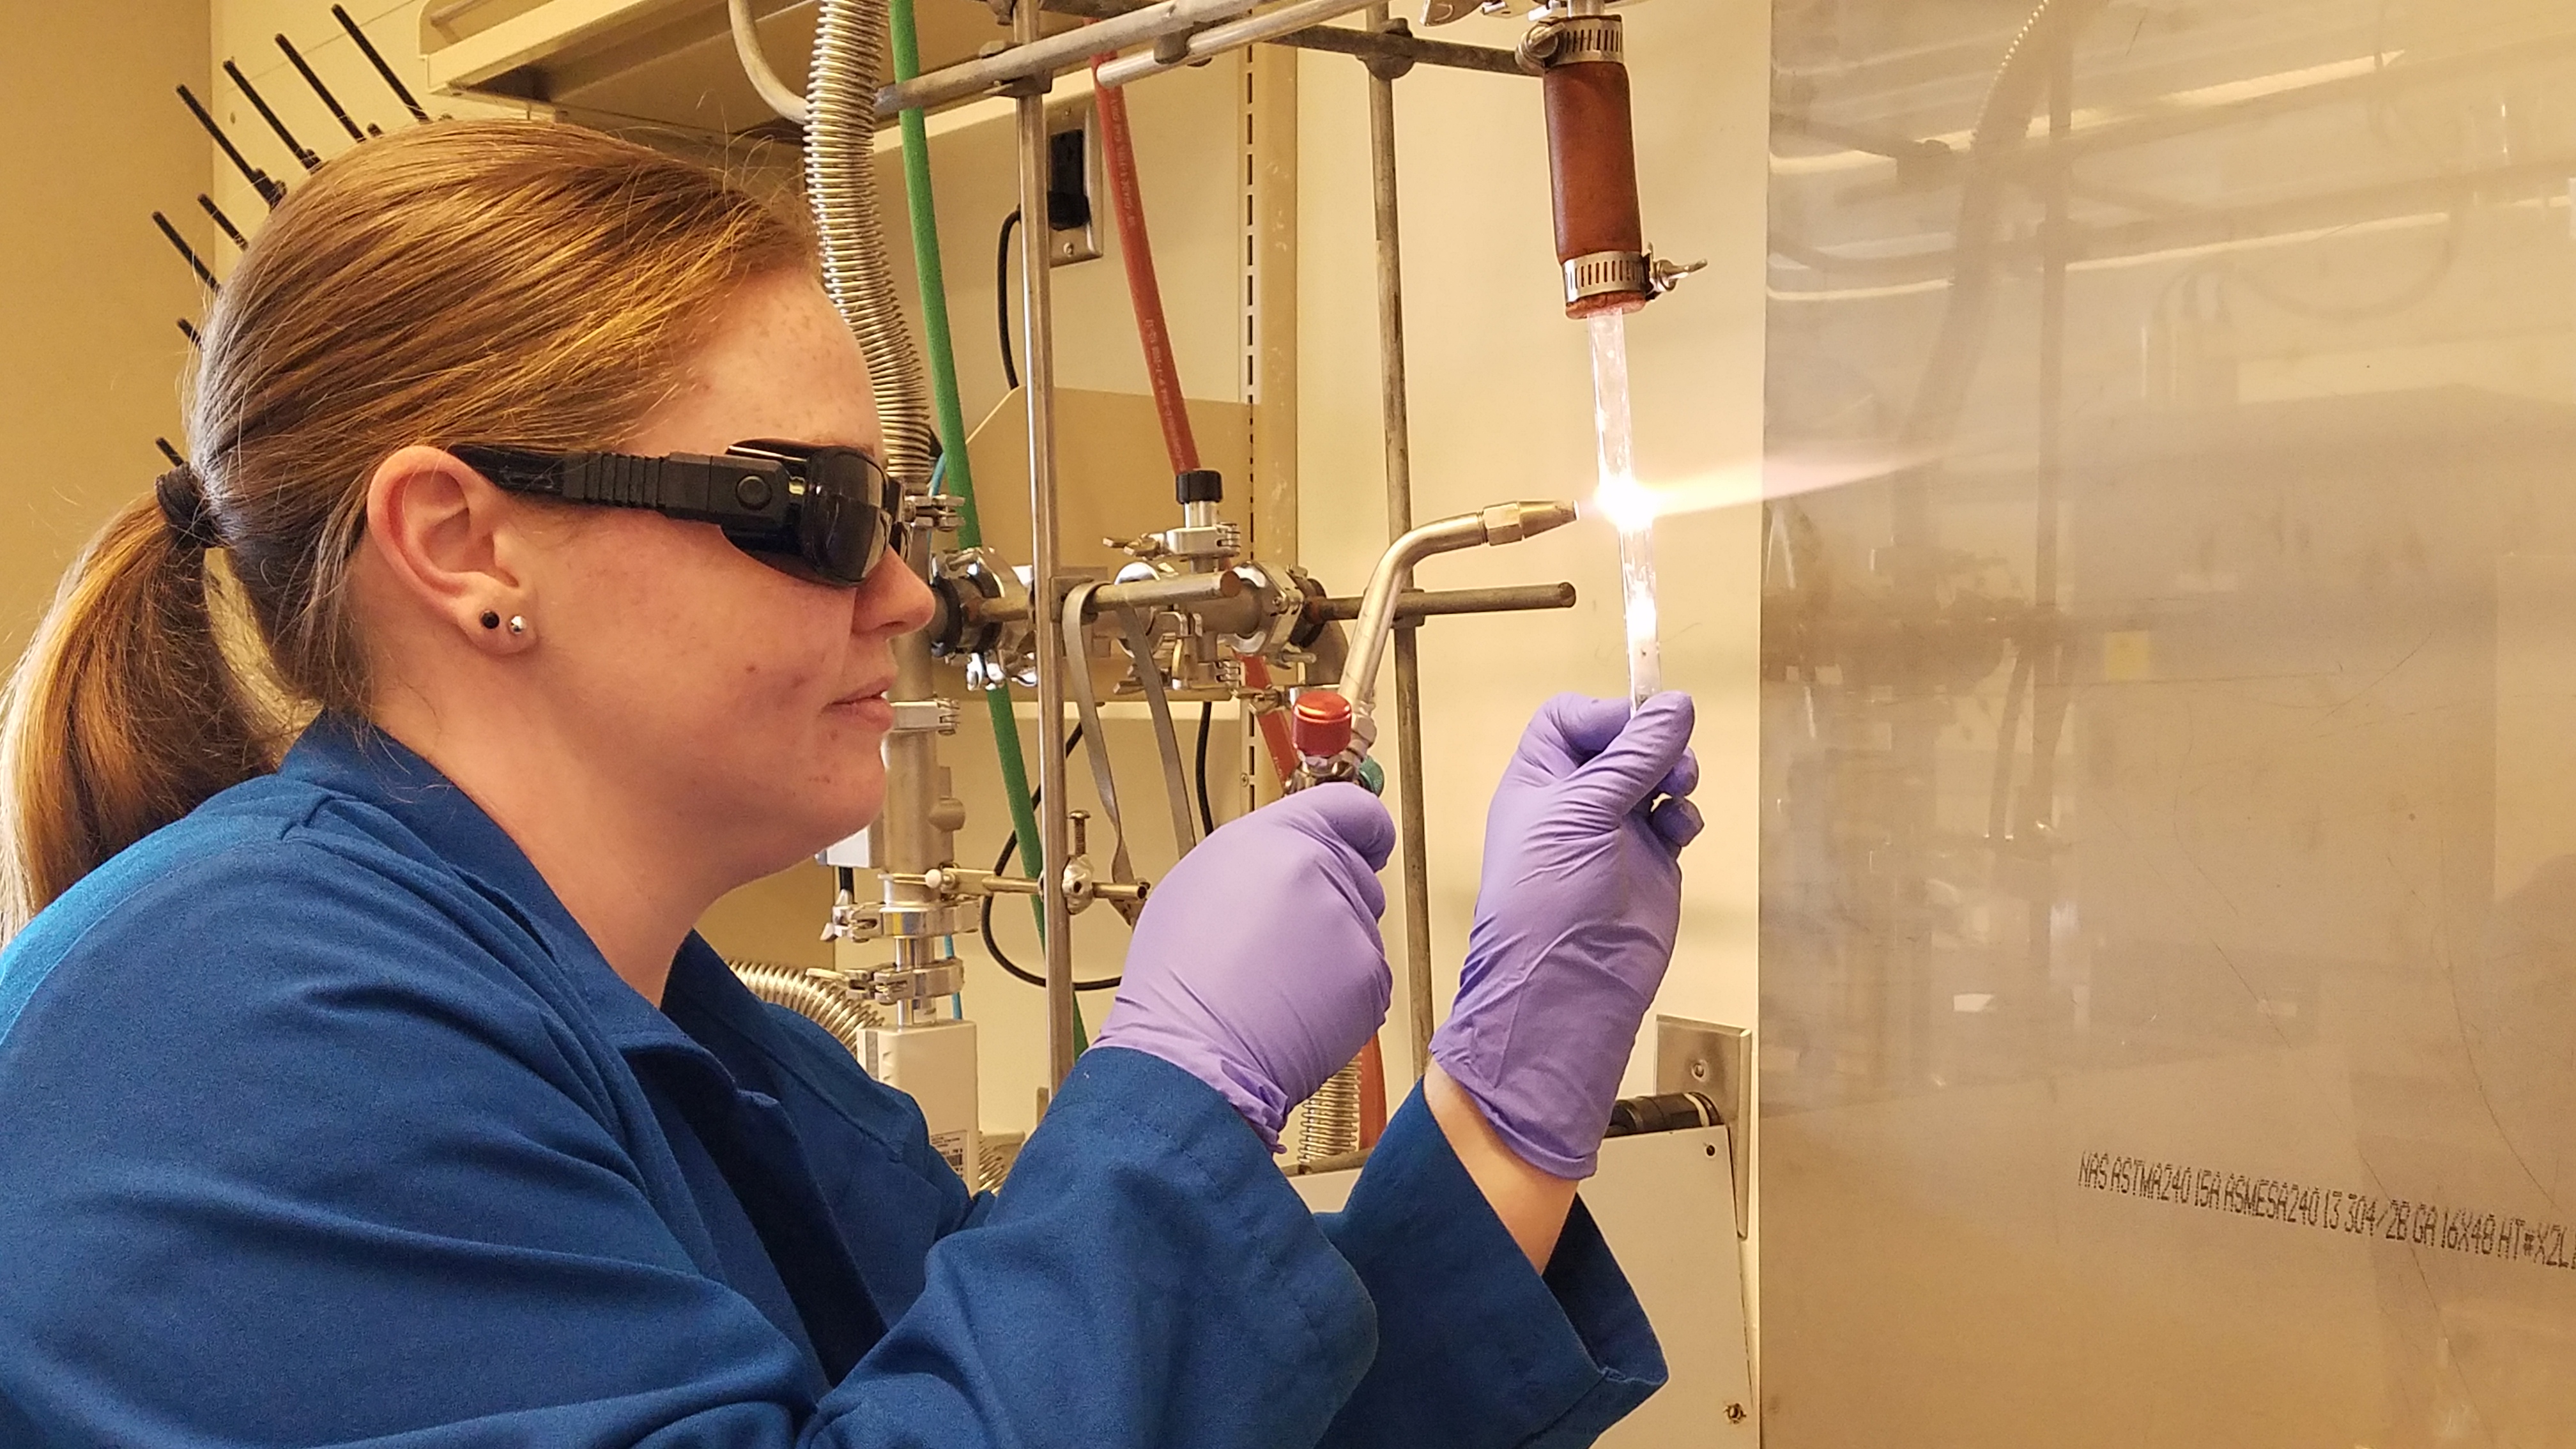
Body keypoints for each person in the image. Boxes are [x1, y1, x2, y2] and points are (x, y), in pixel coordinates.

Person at [0, 121, 1703, 1447]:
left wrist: (1504, 1102)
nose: (899, 595)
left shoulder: (714, 1053)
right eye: (806, 515)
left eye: (888, 521)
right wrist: (1180, 1083)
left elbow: (1133, 1410)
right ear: (462, 545)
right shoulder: (240, 1025)